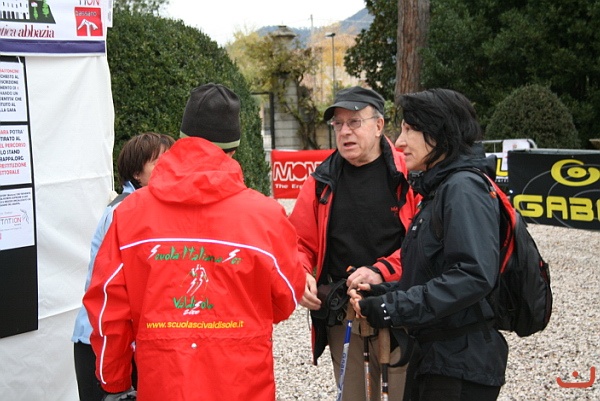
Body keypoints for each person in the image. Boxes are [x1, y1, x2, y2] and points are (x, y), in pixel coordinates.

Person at [83, 83, 305, 401]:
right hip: (243, 382)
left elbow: (108, 305)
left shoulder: (129, 213)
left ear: (182, 139)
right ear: (234, 148)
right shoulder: (265, 215)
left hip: (164, 383)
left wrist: (114, 378)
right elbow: (287, 295)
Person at [349, 88, 508, 401]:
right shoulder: (440, 188)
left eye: (410, 129)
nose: (400, 142)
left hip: (460, 364)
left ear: (439, 134)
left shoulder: (463, 189)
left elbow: (473, 276)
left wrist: (392, 308)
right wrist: (384, 294)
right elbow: (432, 274)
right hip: (437, 356)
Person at [289, 86, 419, 401]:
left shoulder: (408, 175)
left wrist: (383, 270)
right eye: (338, 124)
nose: (345, 131)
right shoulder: (321, 180)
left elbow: (425, 245)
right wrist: (301, 273)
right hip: (343, 312)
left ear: (378, 125)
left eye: (355, 122)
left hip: (400, 308)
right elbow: (297, 241)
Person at [72, 132, 175, 401]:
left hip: (131, 340)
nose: (168, 170)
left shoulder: (152, 209)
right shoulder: (123, 212)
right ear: (136, 174)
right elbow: (108, 289)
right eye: (159, 164)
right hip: (103, 342)